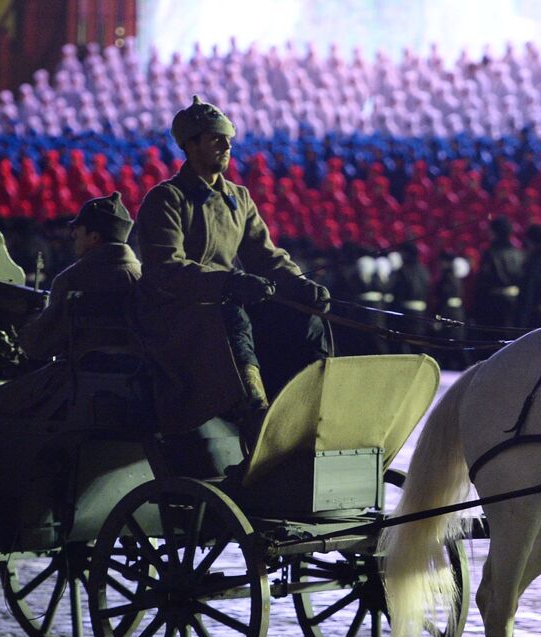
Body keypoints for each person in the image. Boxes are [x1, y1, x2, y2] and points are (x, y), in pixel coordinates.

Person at [132, 96, 331, 437]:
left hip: (225, 303)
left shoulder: (238, 198)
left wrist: (298, 285)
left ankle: (310, 411)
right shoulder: (166, 199)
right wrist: (228, 283)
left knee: (306, 319)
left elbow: (265, 256)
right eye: (215, 138)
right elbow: (165, 268)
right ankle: (255, 419)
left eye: (228, 139)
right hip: (176, 314)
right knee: (233, 317)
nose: (227, 145)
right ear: (190, 145)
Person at [17, 192, 141, 360]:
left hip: (78, 379)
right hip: (135, 380)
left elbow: (38, 346)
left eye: (78, 228)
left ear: (94, 237)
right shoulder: (141, 276)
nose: (73, 234)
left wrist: (28, 320)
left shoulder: (73, 279)